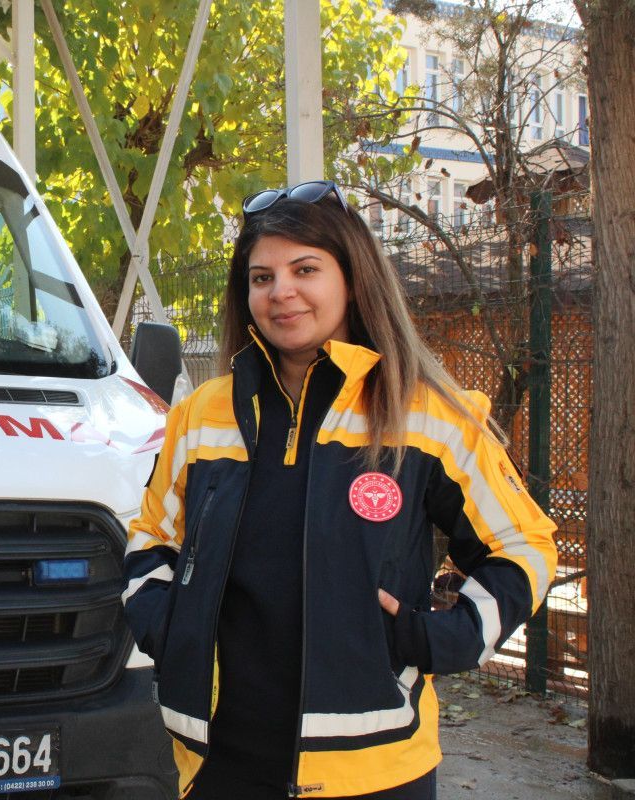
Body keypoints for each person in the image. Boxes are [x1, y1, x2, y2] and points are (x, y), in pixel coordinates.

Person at [121, 181, 558, 800]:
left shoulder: (428, 416)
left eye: (305, 269)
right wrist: (170, 628)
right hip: (218, 763)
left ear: (353, 278)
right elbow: (153, 537)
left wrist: (440, 638)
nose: (281, 292)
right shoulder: (202, 414)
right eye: (262, 277)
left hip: (375, 765)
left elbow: (524, 546)